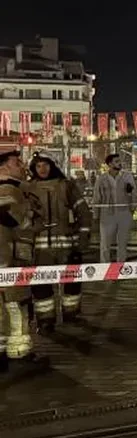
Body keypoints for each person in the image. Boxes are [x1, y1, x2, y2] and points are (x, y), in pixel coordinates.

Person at [26, 152, 91, 331]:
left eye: (45, 165)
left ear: (52, 165)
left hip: (67, 246)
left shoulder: (66, 186)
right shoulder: (28, 188)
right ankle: (45, 320)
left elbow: (83, 211)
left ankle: (71, 313)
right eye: (38, 166)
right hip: (40, 248)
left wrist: (82, 236)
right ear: (33, 168)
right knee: (41, 285)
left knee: (71, 282)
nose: (42, 169)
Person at [0, 149, 36, 371]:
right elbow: (17, 221)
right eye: (17, 162)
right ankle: (18, 350)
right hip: (10, 258)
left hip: (7, 255)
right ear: (3, 167)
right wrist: (30, 213)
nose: (23, 166)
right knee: (15, 304)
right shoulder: (8, 189)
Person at [93, 153, 136, 263]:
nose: (119, 163)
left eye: (119, 161)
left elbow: (134, 193)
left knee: (122, 243)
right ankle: (104, 268)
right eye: (116, 161)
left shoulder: (127, 176)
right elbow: (97, 197)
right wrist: (96, 215)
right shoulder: (101, 179)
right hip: (107, 214)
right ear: (110, 164)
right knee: (105, 244)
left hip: (124, 213)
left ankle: (120, 268)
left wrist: (132, 208)